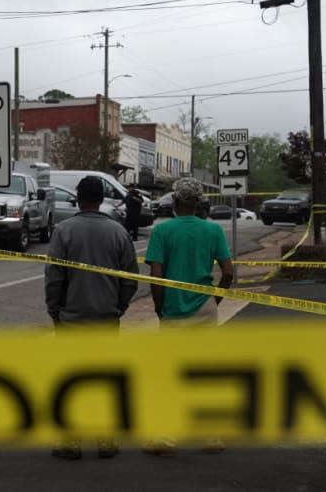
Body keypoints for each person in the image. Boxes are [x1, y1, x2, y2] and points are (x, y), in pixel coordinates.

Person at [45, 176, 139, 460]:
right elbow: (130, 278)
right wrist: (119, 307)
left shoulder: (63, 230)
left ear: (78, 197)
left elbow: (54, 277)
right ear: (101, 199)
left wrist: (55, 311)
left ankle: (71, 442)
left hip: (71, 318)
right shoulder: (118, 232)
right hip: (106, 318)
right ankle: (106, 441)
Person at [142, 177, 233, 456]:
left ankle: (166, 438)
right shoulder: (213, 230)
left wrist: (160, 308)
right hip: (205, 308)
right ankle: (213, 435)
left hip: (173, 310)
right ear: (198, 203)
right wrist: (213, 300)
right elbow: (228, 272)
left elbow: (156, 276)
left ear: (176, 202)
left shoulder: (162, 231)